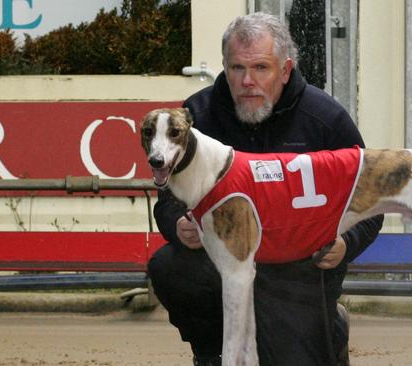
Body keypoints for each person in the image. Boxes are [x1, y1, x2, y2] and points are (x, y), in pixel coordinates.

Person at [147, 12, 383, 366]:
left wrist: (346, 243)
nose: (247, 81)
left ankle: (328, 326)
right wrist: (178, 225)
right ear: (224, 68)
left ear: (285, 70)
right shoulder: (196, 115)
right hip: (222, 258)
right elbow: (167, 197)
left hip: (299, 268)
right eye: (237, 68)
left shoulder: (326, 120)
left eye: (261, 68)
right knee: (169, 266)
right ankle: (211, 353)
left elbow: (371, 201)